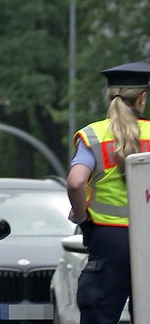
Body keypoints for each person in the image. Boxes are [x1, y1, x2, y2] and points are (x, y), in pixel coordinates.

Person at [67, 61, 150, 323]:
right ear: (142, 98)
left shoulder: (93, 135)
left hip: (108, 241)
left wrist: (80, 216)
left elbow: (76, 182)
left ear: (109, 96)